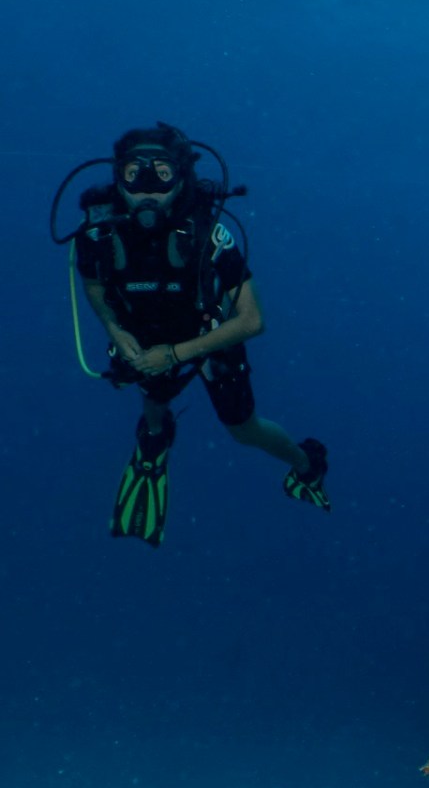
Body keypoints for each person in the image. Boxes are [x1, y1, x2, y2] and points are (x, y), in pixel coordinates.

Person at [73, 123, 330, 547]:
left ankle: (308, 464)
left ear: (181, 179)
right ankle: (155, 438)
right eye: (135, 175)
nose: (148, 190)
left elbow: (252, 320)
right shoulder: (97, 229)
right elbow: (93, 284)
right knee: (153, 403)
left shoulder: (208, 232)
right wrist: (114, 329)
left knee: (243, 429)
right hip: (144, 339)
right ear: (118, 177)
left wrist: (174, 354)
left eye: (162, 174)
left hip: (210, 337)